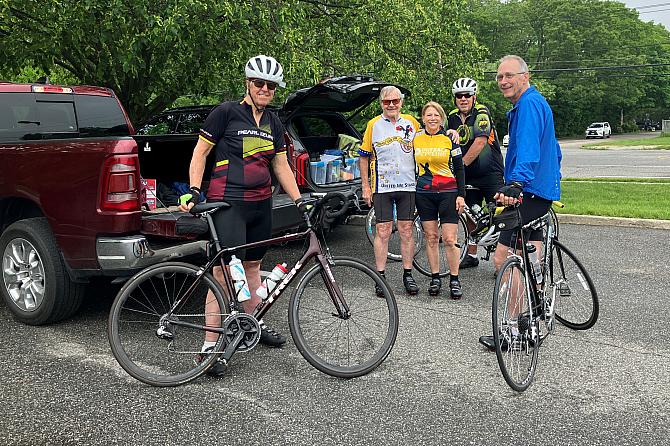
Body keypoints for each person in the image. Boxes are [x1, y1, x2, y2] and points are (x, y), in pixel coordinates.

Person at [179, 55, 308, 374]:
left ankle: (253, 322)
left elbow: (280, 165)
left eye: (271, 85)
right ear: (248, 84)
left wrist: (298, 199)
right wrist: (195, 190)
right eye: (259, 83)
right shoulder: (226, 112)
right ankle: (210, 345)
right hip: (228, 203)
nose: (265, 89)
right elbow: (200, 153)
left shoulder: (274, 123)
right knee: (223, 273)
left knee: (253, 266)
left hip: (260, 205)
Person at [479, 55, 562, 350]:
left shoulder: (527, 105)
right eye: (499, 76)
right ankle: (536, 311)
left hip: (528, 192)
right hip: (540, 193)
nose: (503, 81)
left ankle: (516, 330)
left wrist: (516, 184)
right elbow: (553, 148)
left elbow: (527, 150)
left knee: (503, 258)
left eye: (509, 75)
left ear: (525, 76)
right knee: (532, 254)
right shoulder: (534, 103)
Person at [359, 86, 421, 295]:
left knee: (406, 230)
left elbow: (429, 137)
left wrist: (448, 133)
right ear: (381, 104)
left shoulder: (411, 122)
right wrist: (365, 186)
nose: (392, 105)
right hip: (382, 186)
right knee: (382, 231)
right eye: (387, 102)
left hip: (408, 185)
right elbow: (364, 156)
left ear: (401, 102)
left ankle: (408, 273)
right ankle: (380, 276)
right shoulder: (373, 124)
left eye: (395, 101)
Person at [446, 77, 504, 269]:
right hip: (468, 174)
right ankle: (471, 255)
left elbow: (480, 142)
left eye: (467, 95)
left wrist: (459, 165)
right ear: (455, 98)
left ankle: (503, 261)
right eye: (459, 96)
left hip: (490, 171)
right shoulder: (452, 117)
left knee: (500, 213)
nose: (463, 99)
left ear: (474, 96)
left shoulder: (481, 113)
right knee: (470, 213)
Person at [413, 101, 466, 298]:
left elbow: (459, 168)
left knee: (450, 240)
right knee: (432, 237)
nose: (432, 118)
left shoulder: (450, 139)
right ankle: (435, 277)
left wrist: (461, 195)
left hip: (448, 192)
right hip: (424, 194)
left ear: (441, 118)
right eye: (428, 115)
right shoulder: (415, 139)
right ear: (423, 118)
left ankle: (454, 279)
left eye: (436, 115)